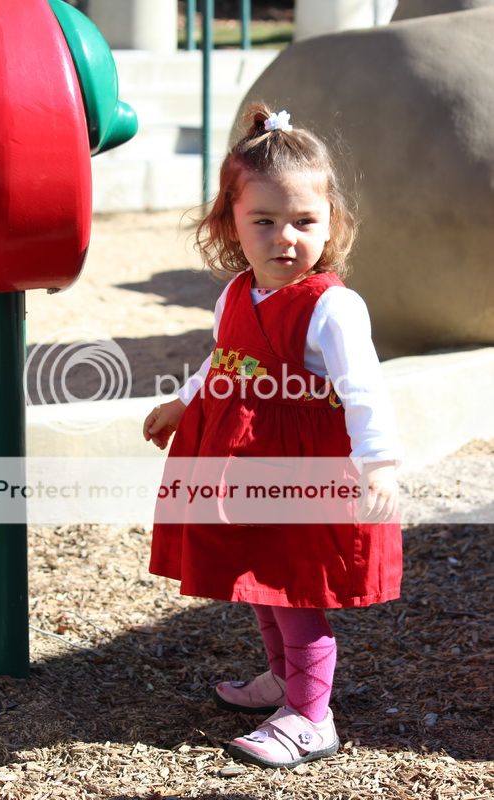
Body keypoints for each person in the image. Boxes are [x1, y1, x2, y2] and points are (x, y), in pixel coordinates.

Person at [143, 104, 402, 769]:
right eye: (263, 220)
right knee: (254, 577)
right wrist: (182, 401)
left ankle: (312, 717)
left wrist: (377, 463)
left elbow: (364, 389)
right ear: (229, 222)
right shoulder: (235, 292)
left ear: (331, 223)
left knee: (292, 590)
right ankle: (285, 680)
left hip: (302, 472)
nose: (284, 237)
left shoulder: (331, 307)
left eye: (303, 222)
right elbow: (224, 359)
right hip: (243, 467)